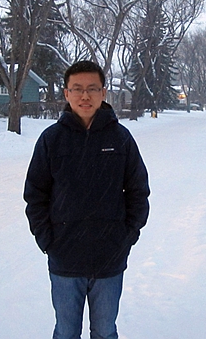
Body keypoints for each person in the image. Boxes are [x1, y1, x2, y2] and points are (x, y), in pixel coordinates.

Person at [24, 60, 150, 339]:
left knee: (105, 331)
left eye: (92, 88)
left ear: (103, 93)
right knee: (66, 332)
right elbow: (35, 195)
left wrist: (126, 237)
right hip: (65, 259)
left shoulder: (120, 138)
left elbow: (138, 191)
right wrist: (48, 240)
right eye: (77, 88)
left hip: (110, 258)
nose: (85, 95)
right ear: (66, 93)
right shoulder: (52, 140)